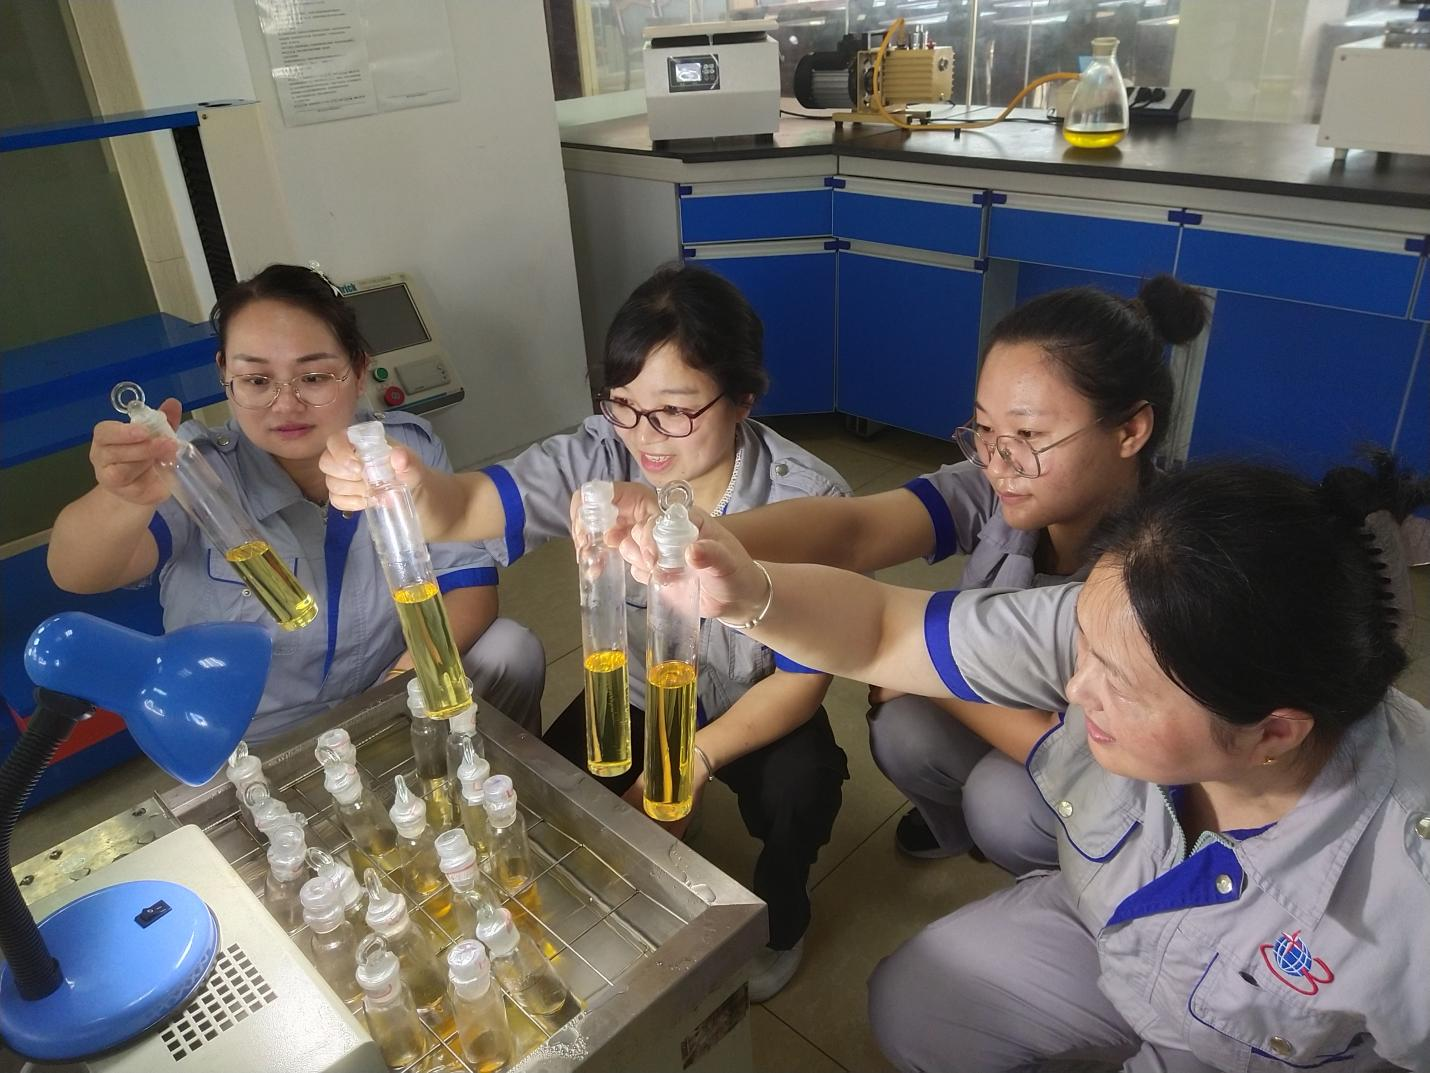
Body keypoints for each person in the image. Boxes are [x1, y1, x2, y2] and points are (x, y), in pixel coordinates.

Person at [613, 457, 1430, 1072]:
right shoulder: (1136, 616)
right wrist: (749, 591)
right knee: (917, 1004)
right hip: (1119, 939)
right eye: (1083, 647)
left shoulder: (1408, 892)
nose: (1074, 686)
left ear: (1272, 732)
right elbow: (883, 629)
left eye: (1119, 685)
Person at [322, 263, 851, 1001]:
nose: (645, 437)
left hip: (755, 703)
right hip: (634, 693)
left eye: (675, 411)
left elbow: (802, 681)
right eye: (625, 404)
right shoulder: (601, 454)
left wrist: (690, 760)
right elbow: (469, 505)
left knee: (802, 790)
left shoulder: (809, 498)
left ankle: (782, 918)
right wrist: (414, 487)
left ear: (743, 399)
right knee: (558, 798)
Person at [604, 275, 1208, 874]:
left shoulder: (1160, 573)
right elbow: (854, 528)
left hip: (1111, 770)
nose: (998, 462)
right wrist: (694, 533)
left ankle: (1068, 873)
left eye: (1028, 435)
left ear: (1130, 430)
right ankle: (958, 825)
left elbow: (1069, 745)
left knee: (1000, 799)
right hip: (1008, 701)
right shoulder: (995, 487)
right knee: (906, 727)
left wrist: (927, 681)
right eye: (985, 430)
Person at [48, 263, 545, 743]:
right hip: (251, 737)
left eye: (314, 377)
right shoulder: (195, 471)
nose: (285, 405)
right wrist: (123, 497)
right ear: (225, 374)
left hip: (387, 688)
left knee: (511, 650)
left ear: (358, 370)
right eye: (257, 380)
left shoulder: (401, 453)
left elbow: (467, 587)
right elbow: (76, 572)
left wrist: (393, 696)